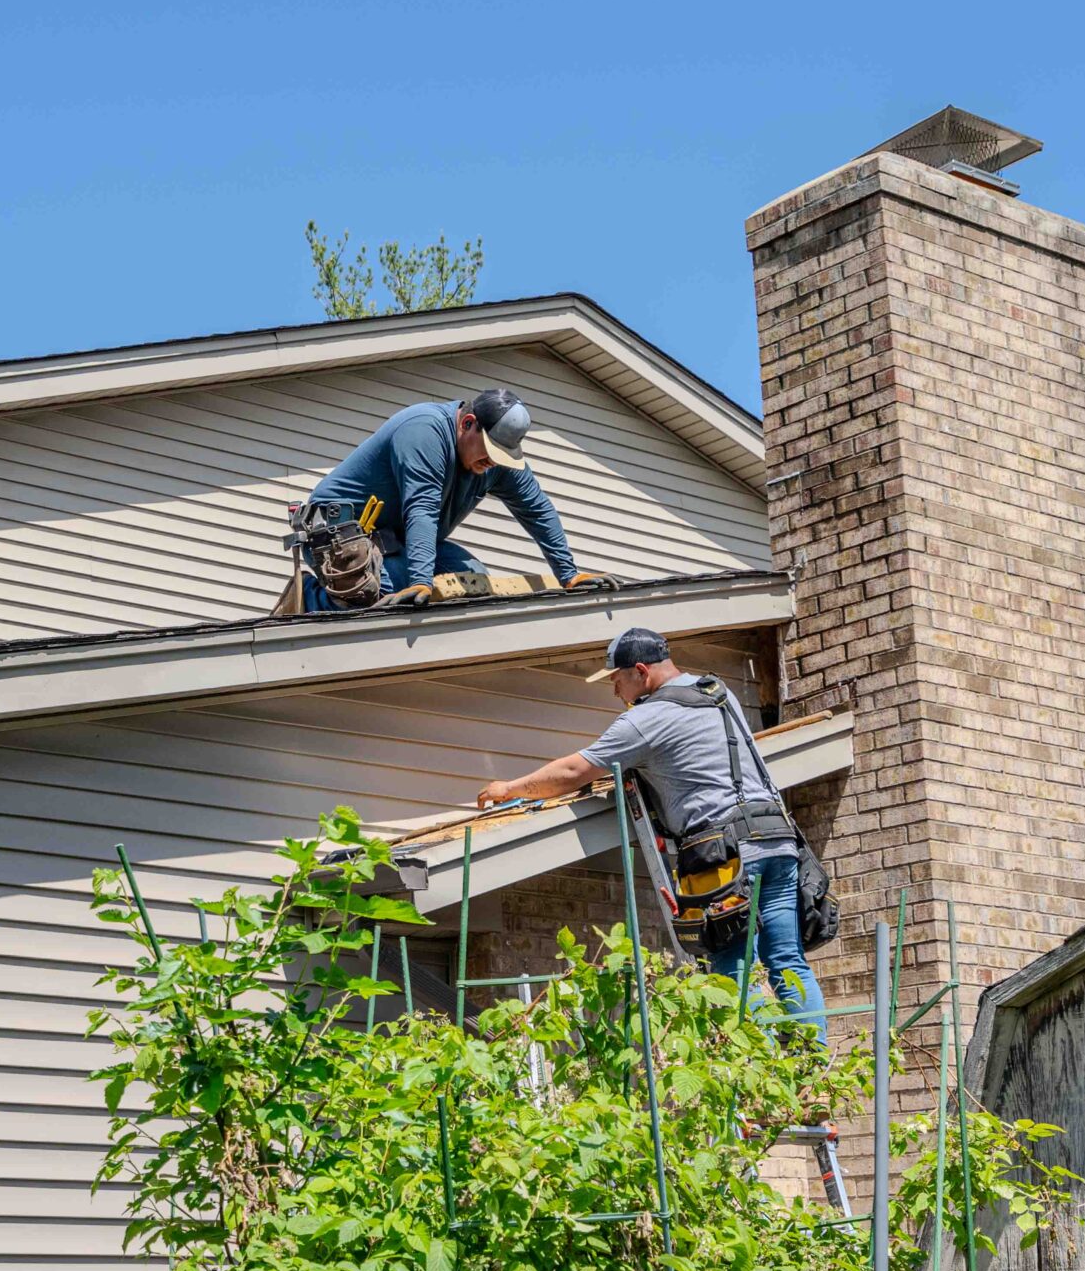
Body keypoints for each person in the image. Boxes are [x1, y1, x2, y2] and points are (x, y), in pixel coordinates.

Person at [473, 627, 830, 1031]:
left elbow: (575, 770)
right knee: (786, 959)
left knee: (732, 967)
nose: (615, 691)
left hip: (725, 853)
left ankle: (759, 1069)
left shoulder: (646, 718)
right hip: (776, 839)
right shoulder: (717, 691)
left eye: (617, 679)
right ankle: (811, 1065)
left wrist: (509, 788)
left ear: (641, 671)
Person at [291, 388, 615, 611]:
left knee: (473, 580)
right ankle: (313, 598)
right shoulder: (424, 431)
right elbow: (422, 508)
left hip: (394, 541)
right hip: (337, 536)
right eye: (489, 450)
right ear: (468, 424)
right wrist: (420, 582)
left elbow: (537, 509)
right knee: (393, 587)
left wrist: (569, 574)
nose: (493, 461)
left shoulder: (496, 462)